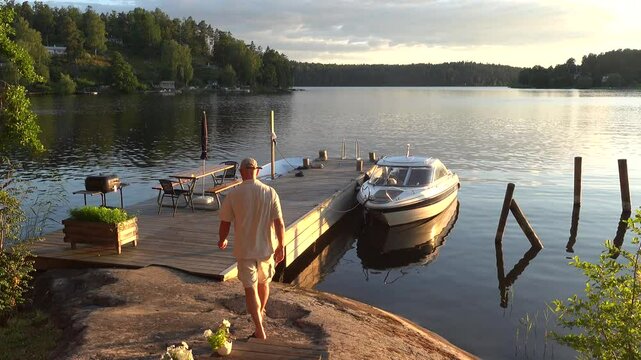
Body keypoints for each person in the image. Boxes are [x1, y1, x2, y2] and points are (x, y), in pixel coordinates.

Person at [217, 157, 285, 340]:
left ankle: (259, 329)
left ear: (241, 172)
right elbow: (279, 223)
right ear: (257, 171)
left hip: (244, 249)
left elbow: (225, 222)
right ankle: (260, 316)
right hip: (266, 248)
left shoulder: (234, 194)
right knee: (264, 284)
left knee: (250, 288)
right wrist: (281, 245)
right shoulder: (270, 192)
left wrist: (222, 240)